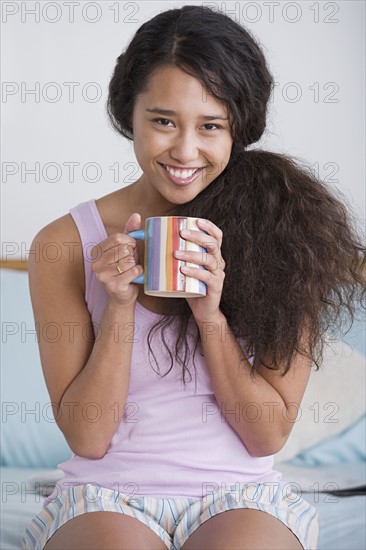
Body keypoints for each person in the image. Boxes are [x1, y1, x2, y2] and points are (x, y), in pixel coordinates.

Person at [23, 5, 365, 550]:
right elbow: (87, 438)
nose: (185, 151)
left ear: (239, 128)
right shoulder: (63, 245)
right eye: (163, 121)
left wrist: (211, 318)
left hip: (241, 495)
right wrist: (118, 307)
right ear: (127, 115)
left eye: (211, 126)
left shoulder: (288, 234)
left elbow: (267, 435)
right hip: (106, 495)